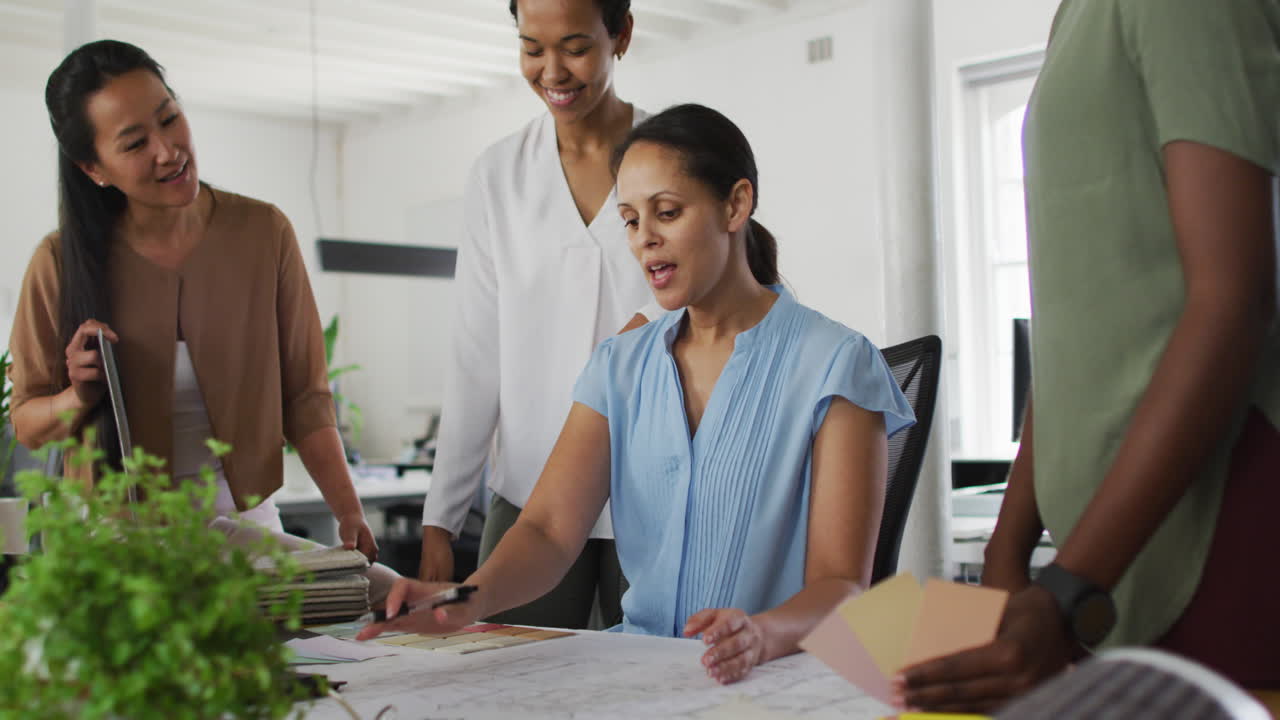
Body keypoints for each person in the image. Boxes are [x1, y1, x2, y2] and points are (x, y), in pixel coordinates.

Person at [364, 103, 916, 685]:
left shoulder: (836, 363)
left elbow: (840, 584)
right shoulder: (619, 365)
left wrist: (761, 635)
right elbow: (548, 530)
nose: (644, 239)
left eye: (667, 213)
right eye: (629, 221)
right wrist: (464, 601)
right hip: (642, 673)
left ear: (736, 205)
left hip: (774, 678)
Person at [898, 0, 1279, 712]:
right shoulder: (1077, 16)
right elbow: (1076, 336)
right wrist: (1009, 551)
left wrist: (1067, 589)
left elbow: (1232, 301)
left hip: (1215, 513)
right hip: (1108, 549)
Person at [7, 40, 382, 569]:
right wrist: (77, 397)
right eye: (135, 143)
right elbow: (27, 420)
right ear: (94, 168)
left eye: (169, 118)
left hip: (247, 527)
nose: (168, 150)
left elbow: (305, 396)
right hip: (114, 545)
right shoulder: (59, 262)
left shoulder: (263, 232)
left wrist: (348, 510)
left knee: (369, 588)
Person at [417, 0, 660, 629]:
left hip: (656, 488)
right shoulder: (499, 175)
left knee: (657, 673)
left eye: (575, 47)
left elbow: (716, 294)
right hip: (530, 490)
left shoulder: (670, 160)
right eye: (532, 48)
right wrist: (442, 516)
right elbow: (476, 354)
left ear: (621, 35)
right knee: (504, 667)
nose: (552, 71)